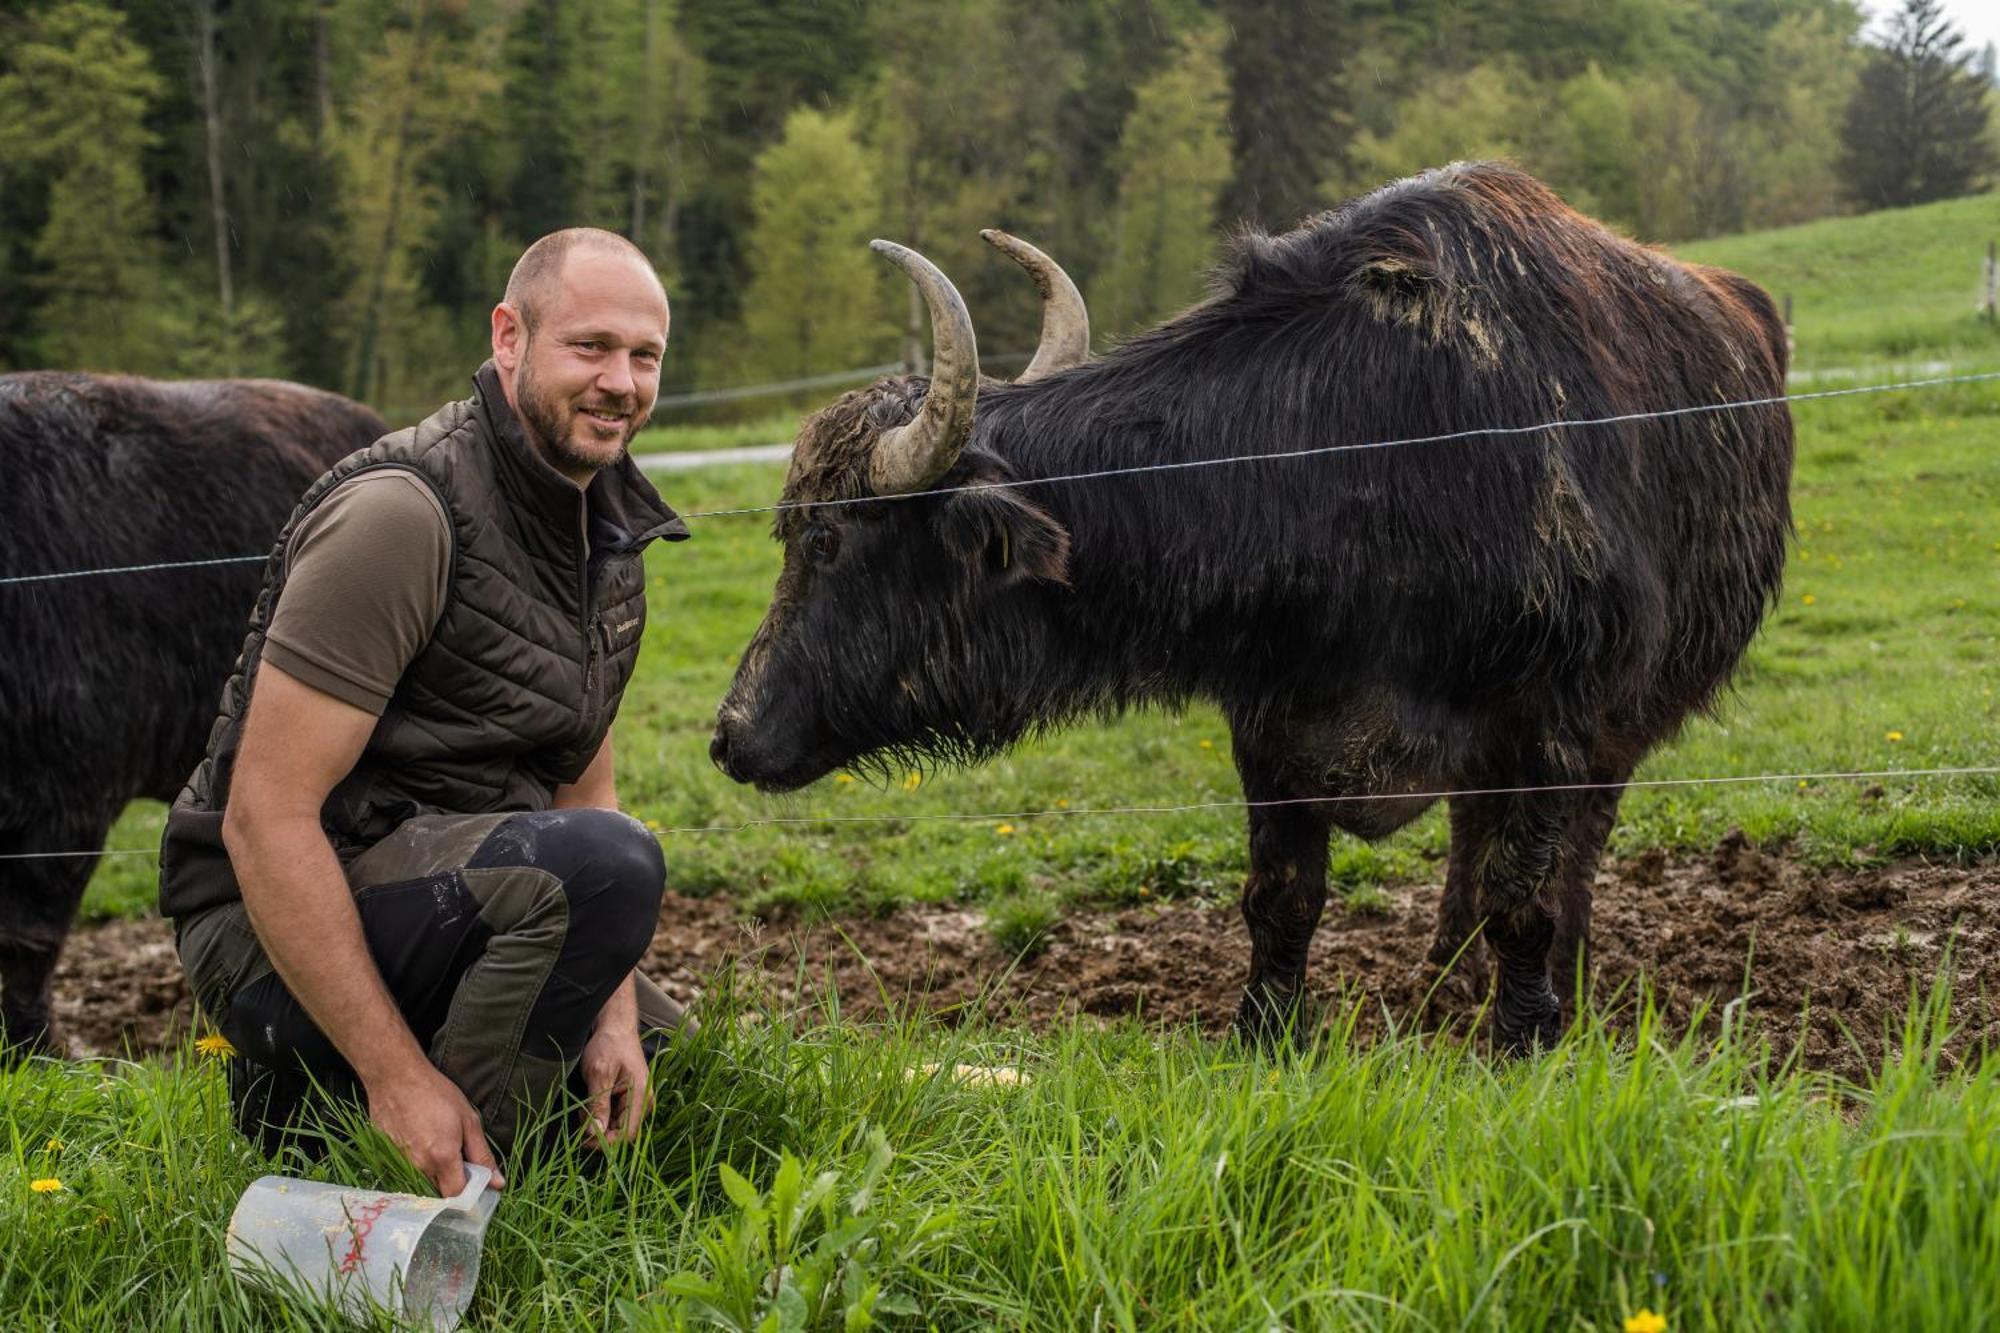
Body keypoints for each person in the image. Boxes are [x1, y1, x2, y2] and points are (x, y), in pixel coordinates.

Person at [159, 228, 695, 1197]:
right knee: (603, 875)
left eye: (644, 355)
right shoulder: (403, 516)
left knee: (667, 1069)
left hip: (441, 876)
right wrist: (397, 1078)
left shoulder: (606, 535)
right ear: (508, 337)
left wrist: (614, 1008)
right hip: (261, 924)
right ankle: (466, 1187)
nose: (620, 381)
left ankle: (301, 1111)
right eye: (590, 346)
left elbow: (586, 784)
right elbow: (262, 816)